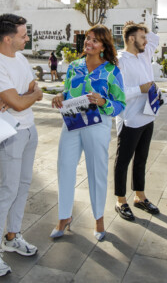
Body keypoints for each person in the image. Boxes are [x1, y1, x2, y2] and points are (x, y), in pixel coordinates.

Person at [0, 13, 43, 278]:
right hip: (9, 133)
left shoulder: (20, 58)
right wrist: (28, 97)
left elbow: (31, 88)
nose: (27, 38)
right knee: (7, 190)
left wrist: (26, 96)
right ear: (8, 38)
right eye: (23, 35)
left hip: (30, 130)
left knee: (23, 186)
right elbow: (18, 102)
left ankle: (12, 237)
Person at [51, 25, 126, 241]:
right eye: (88, 39)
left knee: (96, 171)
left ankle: (99, 219)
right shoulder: (74, 66)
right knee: (64, 166)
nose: (89, 43)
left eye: (95, 40)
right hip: (73, 121)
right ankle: (64, 217)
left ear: (104, 45)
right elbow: (67, 91)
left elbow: (120, 104)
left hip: (98, 122)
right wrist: (59, 96)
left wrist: (104, 101)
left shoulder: (112, 70)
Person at [114, 21, 160, 221]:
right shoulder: (119, 60)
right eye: (142, 37)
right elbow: (116, 93)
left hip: (148, 115)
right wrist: (139, 89)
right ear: (131, 39)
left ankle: (140, 197)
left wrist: (140, 26)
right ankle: (121, 200)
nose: (146, 40)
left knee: (142, 159)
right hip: (129, 119)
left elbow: (155, 38)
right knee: (123, 161)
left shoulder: (144, 54)